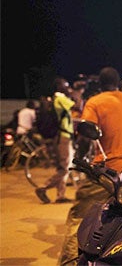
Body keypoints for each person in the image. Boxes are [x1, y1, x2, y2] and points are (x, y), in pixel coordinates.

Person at [58, 67, 122, 265]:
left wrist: (80, 160)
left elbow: (87, 135)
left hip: (109, 171)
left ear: (99, 83)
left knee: (79, 218)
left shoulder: (95, 102)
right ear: (118, 82)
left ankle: (68, 262)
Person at [35, 77, 75, 205]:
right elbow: (78, 105)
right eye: (66, 85)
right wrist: (75, 92)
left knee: (63, 166)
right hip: (63, 137)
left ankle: (60, 195)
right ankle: (43, 187)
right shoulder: (60, 98)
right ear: (59, 87)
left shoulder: (56, 99)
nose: (68, 87)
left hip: (61, 136)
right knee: (64, 168)